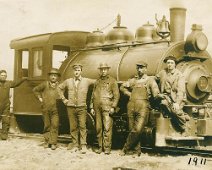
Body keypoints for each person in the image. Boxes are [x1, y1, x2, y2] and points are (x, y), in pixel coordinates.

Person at [119, 61, 160, 156]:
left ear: (146, 69)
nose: (139, 70)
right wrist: (129, 94)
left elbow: (156, 93)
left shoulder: (150, 80)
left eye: (141, 68)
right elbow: (122, 87)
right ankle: (137, 151)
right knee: (131, 129)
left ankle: (125, 148)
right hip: (131, 106)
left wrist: (158, 95)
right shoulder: (133, 80)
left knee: (137, 129)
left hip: (143, 107)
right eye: (138, 68)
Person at [57, 63, 95, 154]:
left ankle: (83, 145)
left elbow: (97, 82)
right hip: (70, 107)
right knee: (73, 127)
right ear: (73, 71)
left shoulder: (87, 81)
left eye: (78, 70)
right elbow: (59, 88)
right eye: (75, 70)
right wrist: (64, 99)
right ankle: (75, 144)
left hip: (82, 108)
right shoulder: (68, 81)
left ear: (81, 71)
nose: (77, 72)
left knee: (82, 126)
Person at [90, 63, 120, 155]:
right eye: (102, 69)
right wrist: (91, 106)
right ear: (100, 70)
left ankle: (107, 148)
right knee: (98, 128)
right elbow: (93, 94)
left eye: (105, 69)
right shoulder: (97, 81)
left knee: (107, 128)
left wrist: (113, 107)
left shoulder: (112, 81)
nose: (103, 71)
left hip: (107, 107)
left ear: (108, 70)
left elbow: (117, 95)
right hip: (97, 107)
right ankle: (100, 147)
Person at [155, 55, 189, 134]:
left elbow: (181, 91)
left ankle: (184, 127)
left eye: (171, 63)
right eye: (168, 63)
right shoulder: (163, 72)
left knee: (175, 111)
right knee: (163, 103)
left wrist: (177, 103)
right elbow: (155, 78)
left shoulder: (179, 75)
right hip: (166, 97)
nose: (169, 64)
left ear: (175, 65)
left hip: (177, 98)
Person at [33, 68, 61, 150]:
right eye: (52, 75)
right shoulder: (45, 84)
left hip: (56, 110)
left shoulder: (60, 85)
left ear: (57, 77)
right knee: (47, 125)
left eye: (55, 75)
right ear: (49, 76)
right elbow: (35, 90)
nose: (53, 77)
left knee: (55, 125)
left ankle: (53, 143)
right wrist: (40, 98)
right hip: (45, 109)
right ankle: (47, 141)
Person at [0, 70, 27, 140]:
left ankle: (4, 136)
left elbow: (16, 83)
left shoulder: (8, 83)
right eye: (2, 75)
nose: (3, 77)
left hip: (5, 105)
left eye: (4, 76)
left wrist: (24, 78)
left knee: (6, 121)